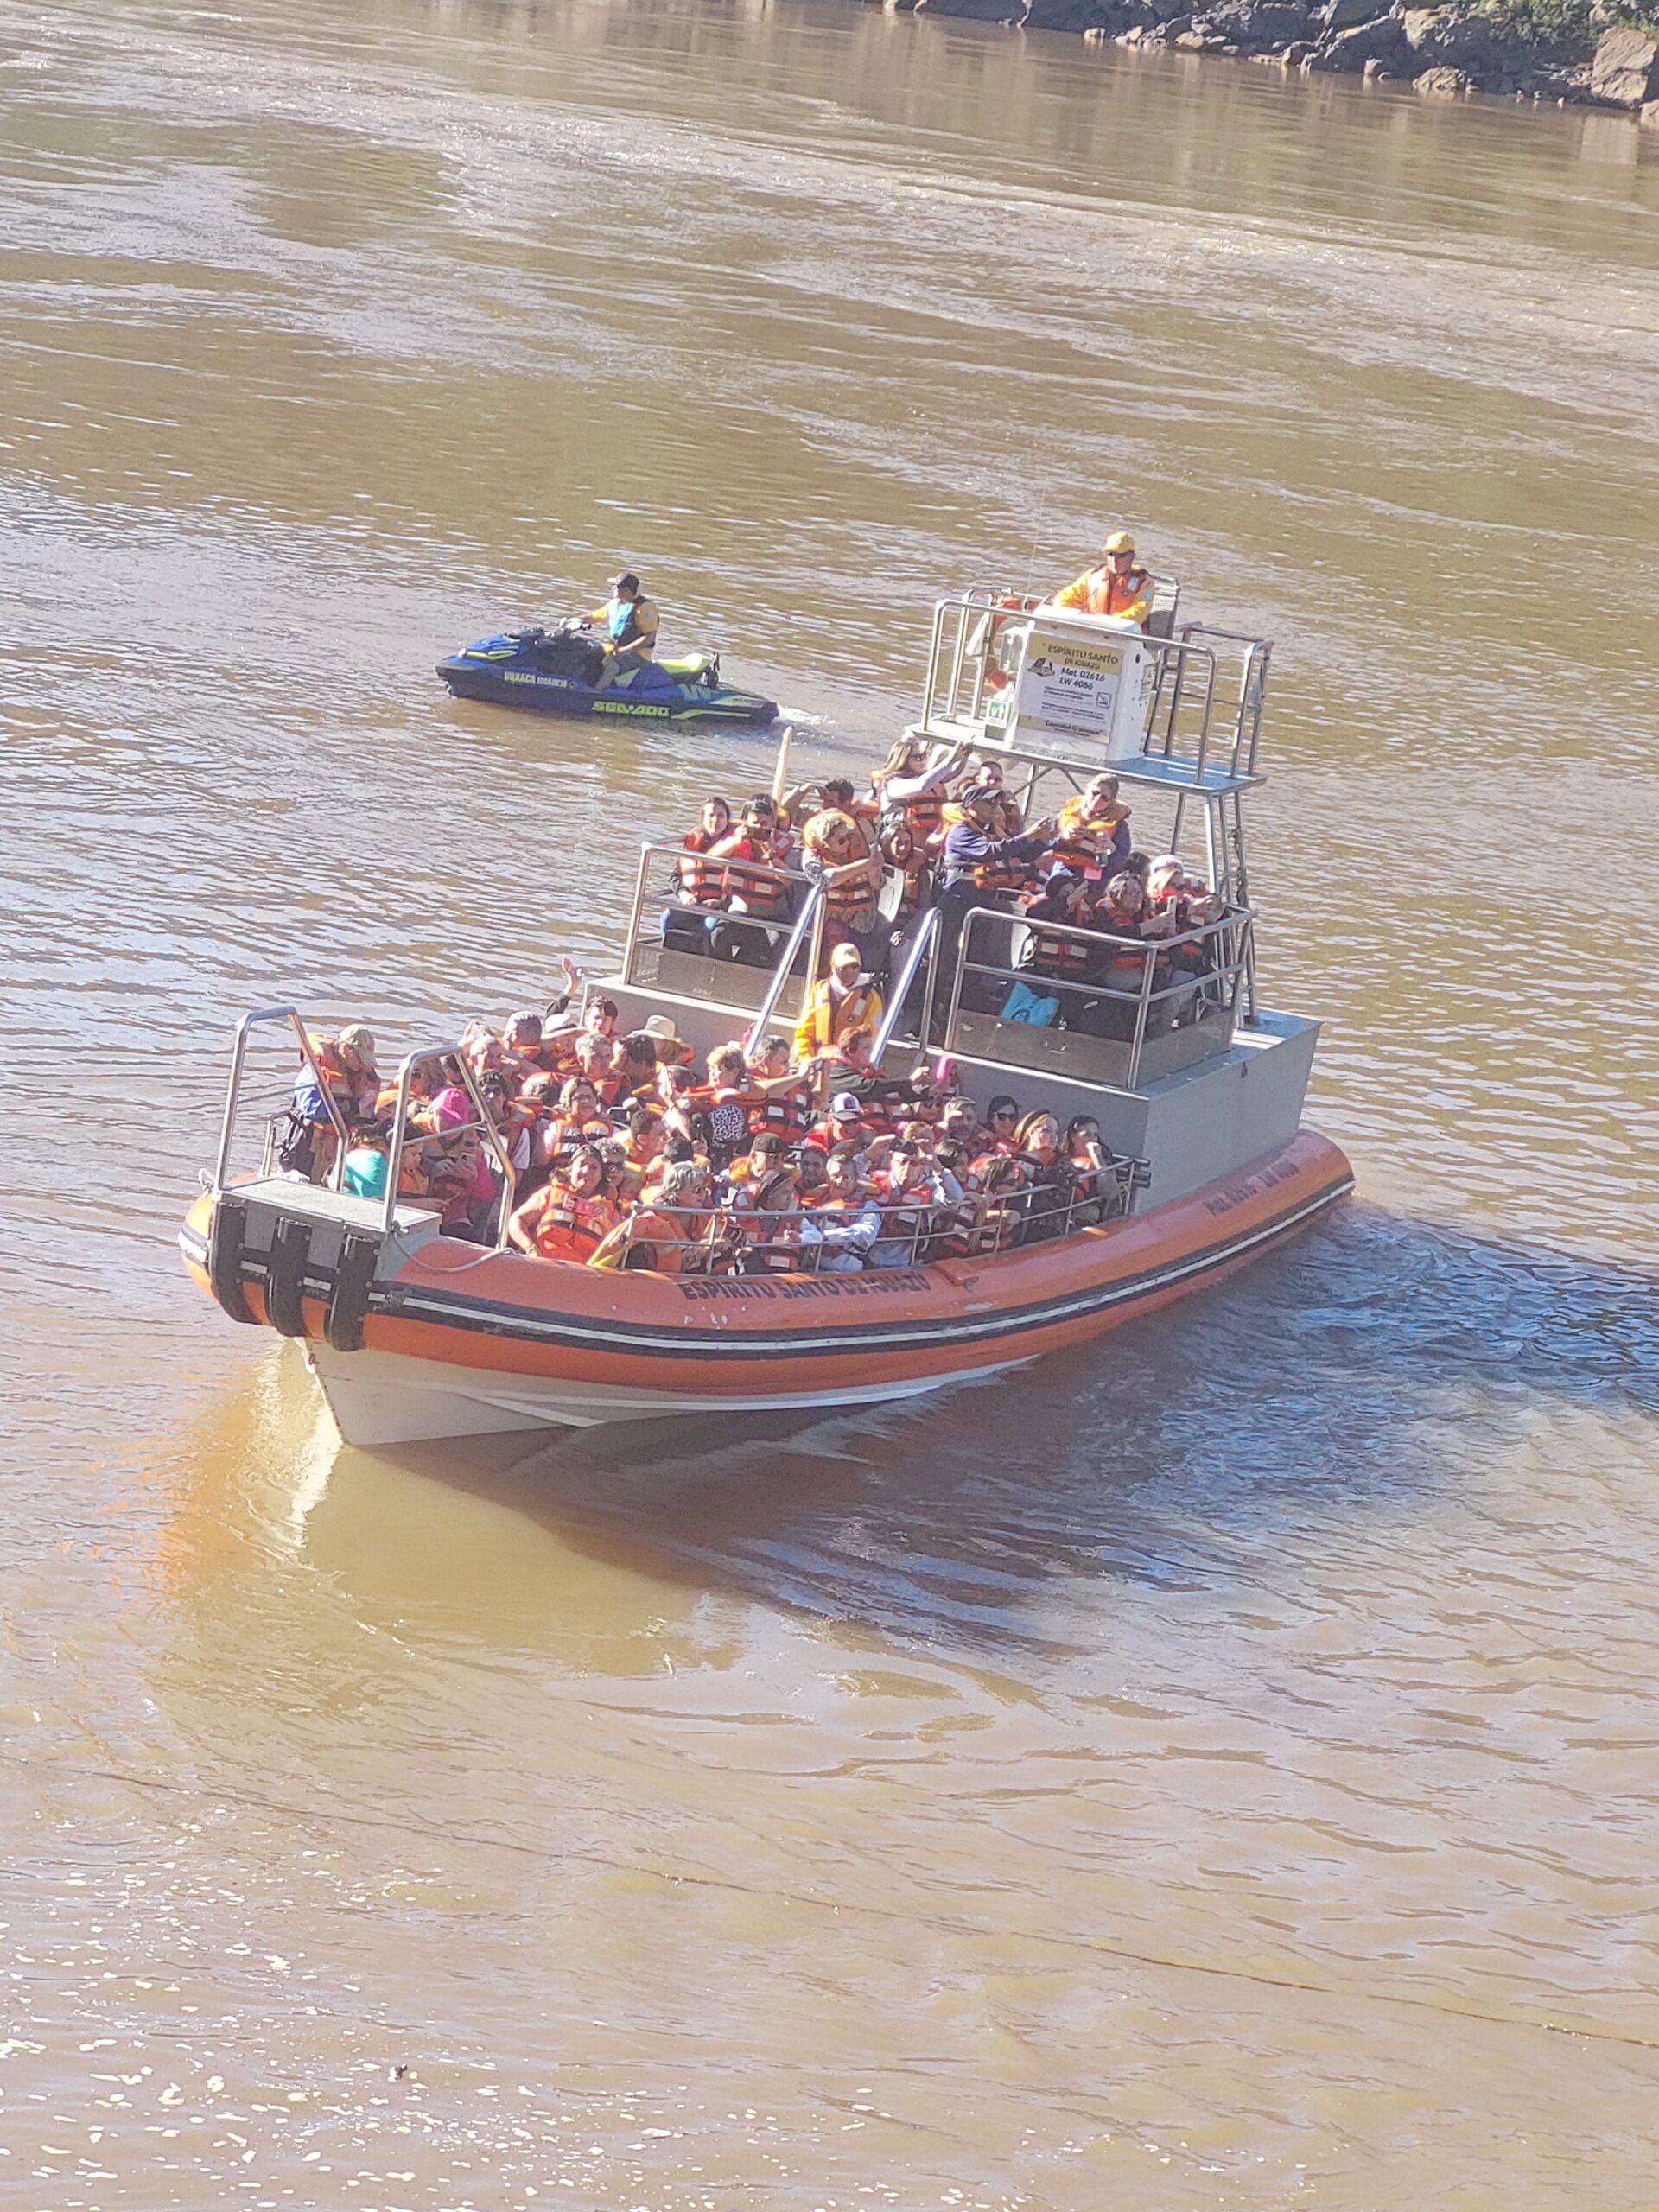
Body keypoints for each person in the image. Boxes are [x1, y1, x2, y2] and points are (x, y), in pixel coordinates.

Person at [799, 809, 885, 972]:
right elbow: (823, 879)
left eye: (849, 837)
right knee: (820, 969)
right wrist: (862, 866)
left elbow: (878, 884)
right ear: (825, 842)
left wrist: (874, 869)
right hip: (823, 927)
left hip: (859, 924)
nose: (847, 843)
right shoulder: (812, 856)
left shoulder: (861, 852)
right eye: (841, 840)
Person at [507, 1145, 622, 1262]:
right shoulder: (549, 1194)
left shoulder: (609, 1209)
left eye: (594, 1167)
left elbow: (618, 1246)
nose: (586, 1171)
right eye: (581, 1164)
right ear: (570, 1171)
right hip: (543, 1264)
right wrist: (531, 1249)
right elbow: (517, 1220)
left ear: (601, 1176)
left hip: (585, 1270)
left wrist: (605, 1224)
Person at [793, 941, 884, 1065]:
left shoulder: (871, 998)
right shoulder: (820, 990)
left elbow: (871, 1039)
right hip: (817, 1062)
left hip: (849, 1067)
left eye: (854, 966)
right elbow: (804, 1032)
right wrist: (807, 1060)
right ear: (832, 966)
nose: (849, 971)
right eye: (844, 967)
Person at [800, 1149, 883, 1274]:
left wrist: (826, 1238)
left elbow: (866, 1234)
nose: (840, 1182)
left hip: (844, 1268)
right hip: (808, 1265)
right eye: (835, 1176)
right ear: (826, 1178)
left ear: (856, 1180)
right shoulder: (814, 1200)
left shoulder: (867, 1206)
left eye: (847, 1178)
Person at [1048, 531, 1154, 627]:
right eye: (1110, 555)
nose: (1114, 561)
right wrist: (1063, 611)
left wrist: (1111, 623)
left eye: (1120, 556)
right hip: (1092, 630)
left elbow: (1139, 612)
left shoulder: (1144, 582)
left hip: (1124, 635)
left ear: (1132, 557)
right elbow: (1067, 596)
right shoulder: (1093, 575)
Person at [588, 571, 660, 684]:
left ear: (627, 590)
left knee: (612, 665)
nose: (613, 589)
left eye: (616, 587)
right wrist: (572, 621)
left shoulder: (645, 608)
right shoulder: (615, 604)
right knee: (588, 652)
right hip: (616, 649)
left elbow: (649, 637)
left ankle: (597, 692)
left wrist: (625, 650)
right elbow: (593, 617)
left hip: (637, 655)